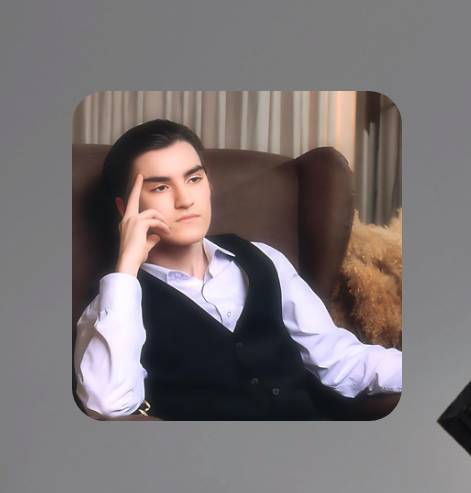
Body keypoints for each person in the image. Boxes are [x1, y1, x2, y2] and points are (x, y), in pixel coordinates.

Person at [73, 119, 402, 420]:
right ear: (126, 209)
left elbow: (340, 360)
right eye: (161, 187)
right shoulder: (112, 304)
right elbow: (108, 406)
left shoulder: (263, 258)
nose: (185, 200)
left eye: (194, 178)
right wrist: (127, 268)